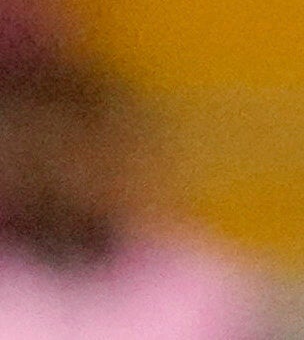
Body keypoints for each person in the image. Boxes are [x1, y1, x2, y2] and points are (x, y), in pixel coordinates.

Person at [0, 56, 265, 340]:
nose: (73, 174)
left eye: (94, 152)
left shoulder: (200, 281)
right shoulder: (12, 286)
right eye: (48, 153)